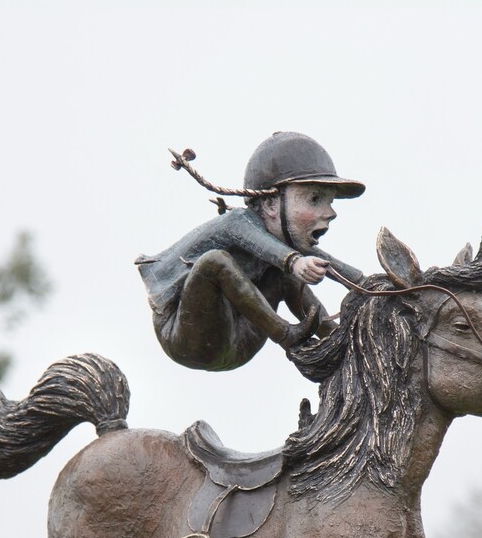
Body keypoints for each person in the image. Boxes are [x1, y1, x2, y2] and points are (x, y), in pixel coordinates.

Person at [136, 131, 367, 372]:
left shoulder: (284, 239)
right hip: (186, 338)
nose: (330, 212)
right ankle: (287, 333)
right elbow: (269, 248)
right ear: (270, 203)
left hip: (240, 339)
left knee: (280, 273)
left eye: (330, 202)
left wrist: (365, 284)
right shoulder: (238, 222)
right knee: (214, 262)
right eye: (314, 199)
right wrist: (295, 262)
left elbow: (327, 261)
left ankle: (339, 342)